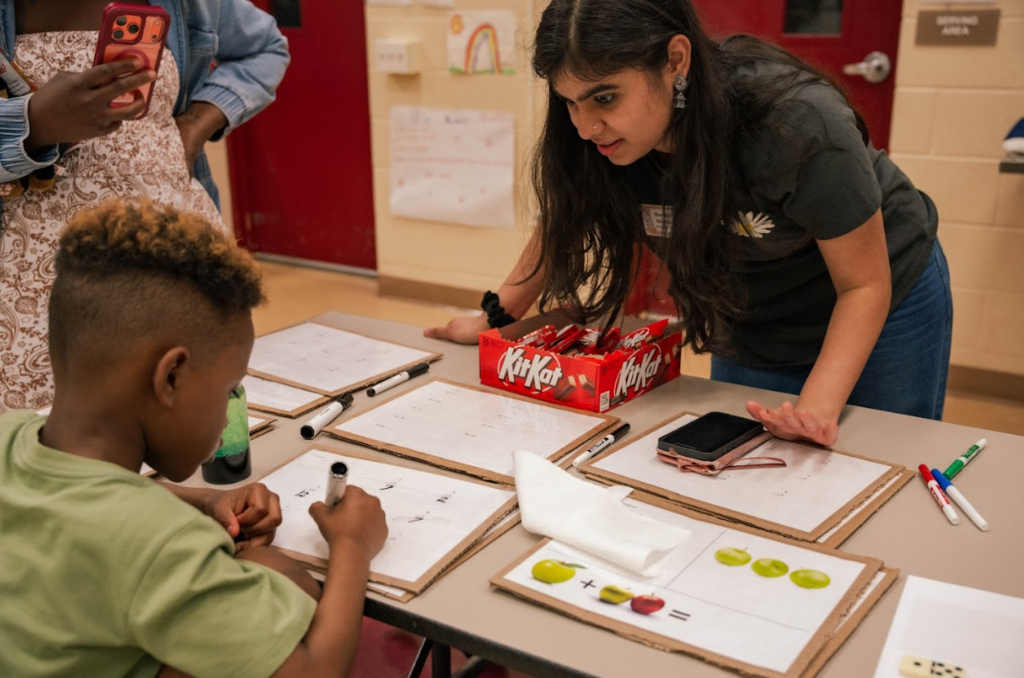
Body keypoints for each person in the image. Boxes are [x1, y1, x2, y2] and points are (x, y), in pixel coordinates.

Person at [426, 0, 951, 447]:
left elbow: (864, 284)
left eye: (605, 98)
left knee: (879, 459)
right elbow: (565, 218)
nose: (586, 126)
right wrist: (495, 316)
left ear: (675, 60)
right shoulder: (599, 135)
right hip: (750, 304)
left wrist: (814, 409)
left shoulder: (794, 121)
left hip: (880, 298)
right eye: (570, 102)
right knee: (750, 463)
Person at [0, 199, 388, 678]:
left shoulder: (10, 435)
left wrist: (204, 500)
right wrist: (353, 544)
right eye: (229, 390)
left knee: (269, 572)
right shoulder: (160, 541)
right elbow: (315, 671)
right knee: (286, 579)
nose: (228, 407)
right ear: (171, 378)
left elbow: (76, 494)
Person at [0, 0, 290, 412]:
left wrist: (197, 124)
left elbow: (265, 47)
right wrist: (34, 123)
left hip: (178, 268)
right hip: (36, 292)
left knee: (193, 418)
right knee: (64, 446)